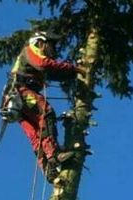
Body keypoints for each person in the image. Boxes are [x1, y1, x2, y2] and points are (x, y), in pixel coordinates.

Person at [9, 32, 82, 182]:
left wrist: (71, 73)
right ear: (41, 42)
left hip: (15, 100)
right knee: (46, 113)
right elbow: (43, 64)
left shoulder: (31, 61)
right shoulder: (30, 50)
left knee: (36, 134)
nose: (52, 50)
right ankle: (54, 155)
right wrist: (74, 69)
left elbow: (53, 72)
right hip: (23, 92)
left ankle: (48, 169)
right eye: (50, 45)